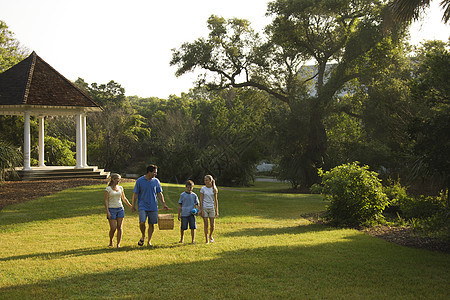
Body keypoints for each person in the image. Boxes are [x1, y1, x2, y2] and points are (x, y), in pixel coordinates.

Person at [131, 164, 168, 247]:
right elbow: (135, 194)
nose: (156, 174)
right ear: (149, 172)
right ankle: (143, 236)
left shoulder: (156, 181)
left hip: (153, 206)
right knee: (142, 222)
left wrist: (163, 204)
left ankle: (149, 241)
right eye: (154, 172)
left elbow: (159, 193)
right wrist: (133, 205)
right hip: (142, 206)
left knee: (151, 224)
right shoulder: (140, 181)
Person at [104, 173, 132, 248]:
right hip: (111, 209)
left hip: (120, 209)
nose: (119, 181)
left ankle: (118, 244)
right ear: (113, 179)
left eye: (119, 179)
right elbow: (106, 201)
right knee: (113, 228)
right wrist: (108, 211)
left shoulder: (121, 188)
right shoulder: (108, 189)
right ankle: (111, 241)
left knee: (119, 227)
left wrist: (130, 206)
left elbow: (124, 198)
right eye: (118, 179)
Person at [178, 180, 199, 244]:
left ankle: (193, 240)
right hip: (184, 214)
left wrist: (198, 211)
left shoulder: (194, 195)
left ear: (193, 187)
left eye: (191, 187)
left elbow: (197, 204)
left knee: (193, 227)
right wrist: (179, 214)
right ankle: (181, 239)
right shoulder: (182, 195)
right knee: (183, 228)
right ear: (186, 187)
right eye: (188, 187)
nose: (189, 189)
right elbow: (180, 205)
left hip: (192, 214)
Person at [199, 175, 219, 243]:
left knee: (212, 225)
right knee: (206, 224)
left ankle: (210, 235)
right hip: (204, 207)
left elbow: (216, 200)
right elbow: (201, 200)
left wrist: (217, 210)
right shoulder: (203, 189)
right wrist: (201, 209)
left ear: (210, 181)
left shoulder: (214, 189)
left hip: (211, 208)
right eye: (205, 180)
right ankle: (206, 239)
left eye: (207, 180)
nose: (205, 181)